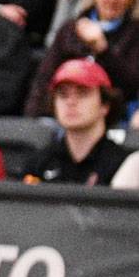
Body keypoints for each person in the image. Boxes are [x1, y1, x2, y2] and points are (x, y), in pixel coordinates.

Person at [27, 0, 139, 117]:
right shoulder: (70, 30)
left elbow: (132, 86)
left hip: (114, 119)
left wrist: (103, 51)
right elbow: (44, 81)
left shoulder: (135, 33)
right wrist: (35, 122)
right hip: (63, 117)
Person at [23, 58, 139, 188]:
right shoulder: (38, 163)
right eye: (63, 94)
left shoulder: (122, 163)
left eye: (83, 93)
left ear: (105, 105)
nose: (71, 102)